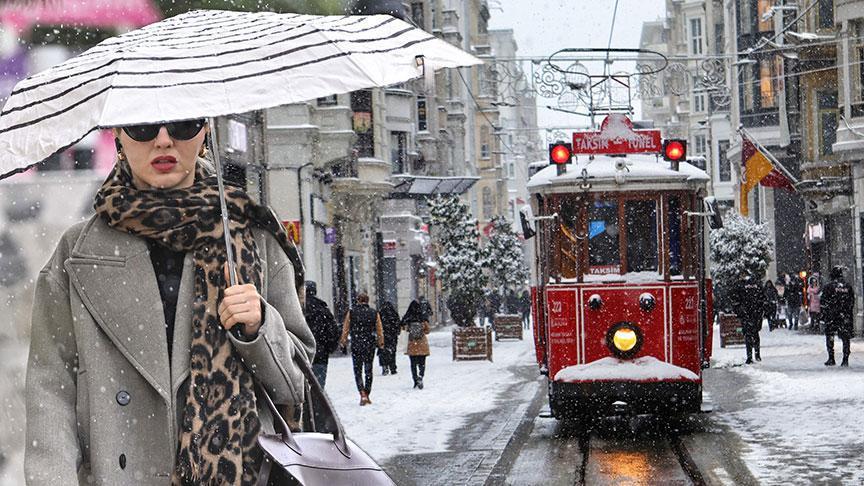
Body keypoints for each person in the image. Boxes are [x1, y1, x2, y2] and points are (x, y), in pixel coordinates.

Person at [25, 120, 316, 485]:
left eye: (182, 125)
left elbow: (297, 385)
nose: (163, 140)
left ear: (205, 132)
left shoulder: (253, 240)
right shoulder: (76, 253)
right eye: (142, 126)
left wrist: (260, 328)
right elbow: (51, 389)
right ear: (118, 135)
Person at [340, 292, 384, 405]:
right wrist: (381, 343)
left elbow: (345, 328)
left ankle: (362, 393)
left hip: (356, 344)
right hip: (369, 344)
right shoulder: (374, 313)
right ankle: (367, 392)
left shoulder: (351, 313)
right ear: (367, 301)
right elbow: (379, 330)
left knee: (357, 370)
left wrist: (343, 342)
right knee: (368, 370)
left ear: (358, 301)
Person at [304, 281, 340, 387]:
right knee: (319, 385)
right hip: (320, 354)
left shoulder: (298, 307)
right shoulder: (322, 308)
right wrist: (329, 347)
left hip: (302, 353)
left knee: (302, 387)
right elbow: (333, 330)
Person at [820, 266, 854, 367]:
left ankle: (831, 358)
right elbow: (851, 301)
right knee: (845, 338)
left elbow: (823, 302)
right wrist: (847, 312)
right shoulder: (847, 286)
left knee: (830, 336)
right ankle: (845, 359)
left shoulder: (828, 287)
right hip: (845, 315)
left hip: (832, 316)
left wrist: (823, 315)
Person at [731, 272, 766, 364]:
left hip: (747, 313)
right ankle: (757, 354)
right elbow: (763, 299)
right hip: (755, 313)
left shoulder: (740, 286)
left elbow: (735, 299)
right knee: (755, 334)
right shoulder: (757, 285)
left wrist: (739, 311)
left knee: (748, 334)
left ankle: (750, 356)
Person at [402, 300, 431, 389]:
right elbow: (428, 330)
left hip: (412, 344)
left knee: (413, 364)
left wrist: (410, 330)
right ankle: (420, 376)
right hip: (422, 343)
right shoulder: (422, 317)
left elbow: (404, 328)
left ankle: (415, 380)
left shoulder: (408, 318)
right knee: (422, 363)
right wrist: (421, 331)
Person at [378, 301, 401, 375]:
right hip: (392, 335)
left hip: (383, 335)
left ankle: (384, 366)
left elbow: (377, 324)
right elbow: (398, 324)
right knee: (392, 351)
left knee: (383, 351)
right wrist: (397, 332)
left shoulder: (380, 314)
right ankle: (393, 367)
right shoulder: (394, 314)